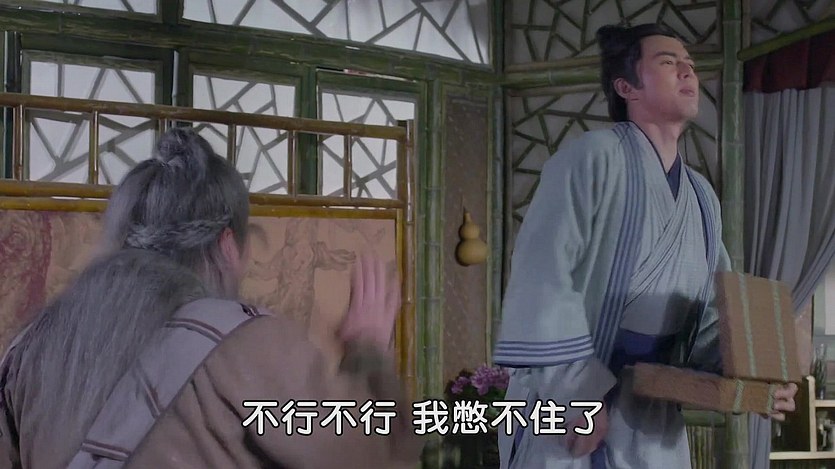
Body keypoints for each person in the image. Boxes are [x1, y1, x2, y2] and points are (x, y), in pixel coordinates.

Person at [0, 128, 423, 468]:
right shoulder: (246, 345)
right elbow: (371, 454)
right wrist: (368, 352)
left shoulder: (29, 350)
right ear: (227, 246)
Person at [493, 23, 797, 468]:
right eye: (668, 62)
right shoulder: (591, 158)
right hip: (570, 404)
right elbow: (542, 276)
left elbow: (708, 316)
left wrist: (755, 376)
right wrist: (575, 394)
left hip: (651, 414)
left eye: (690, 64)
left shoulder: (701, 196)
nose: (687, 72)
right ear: (626, 86)